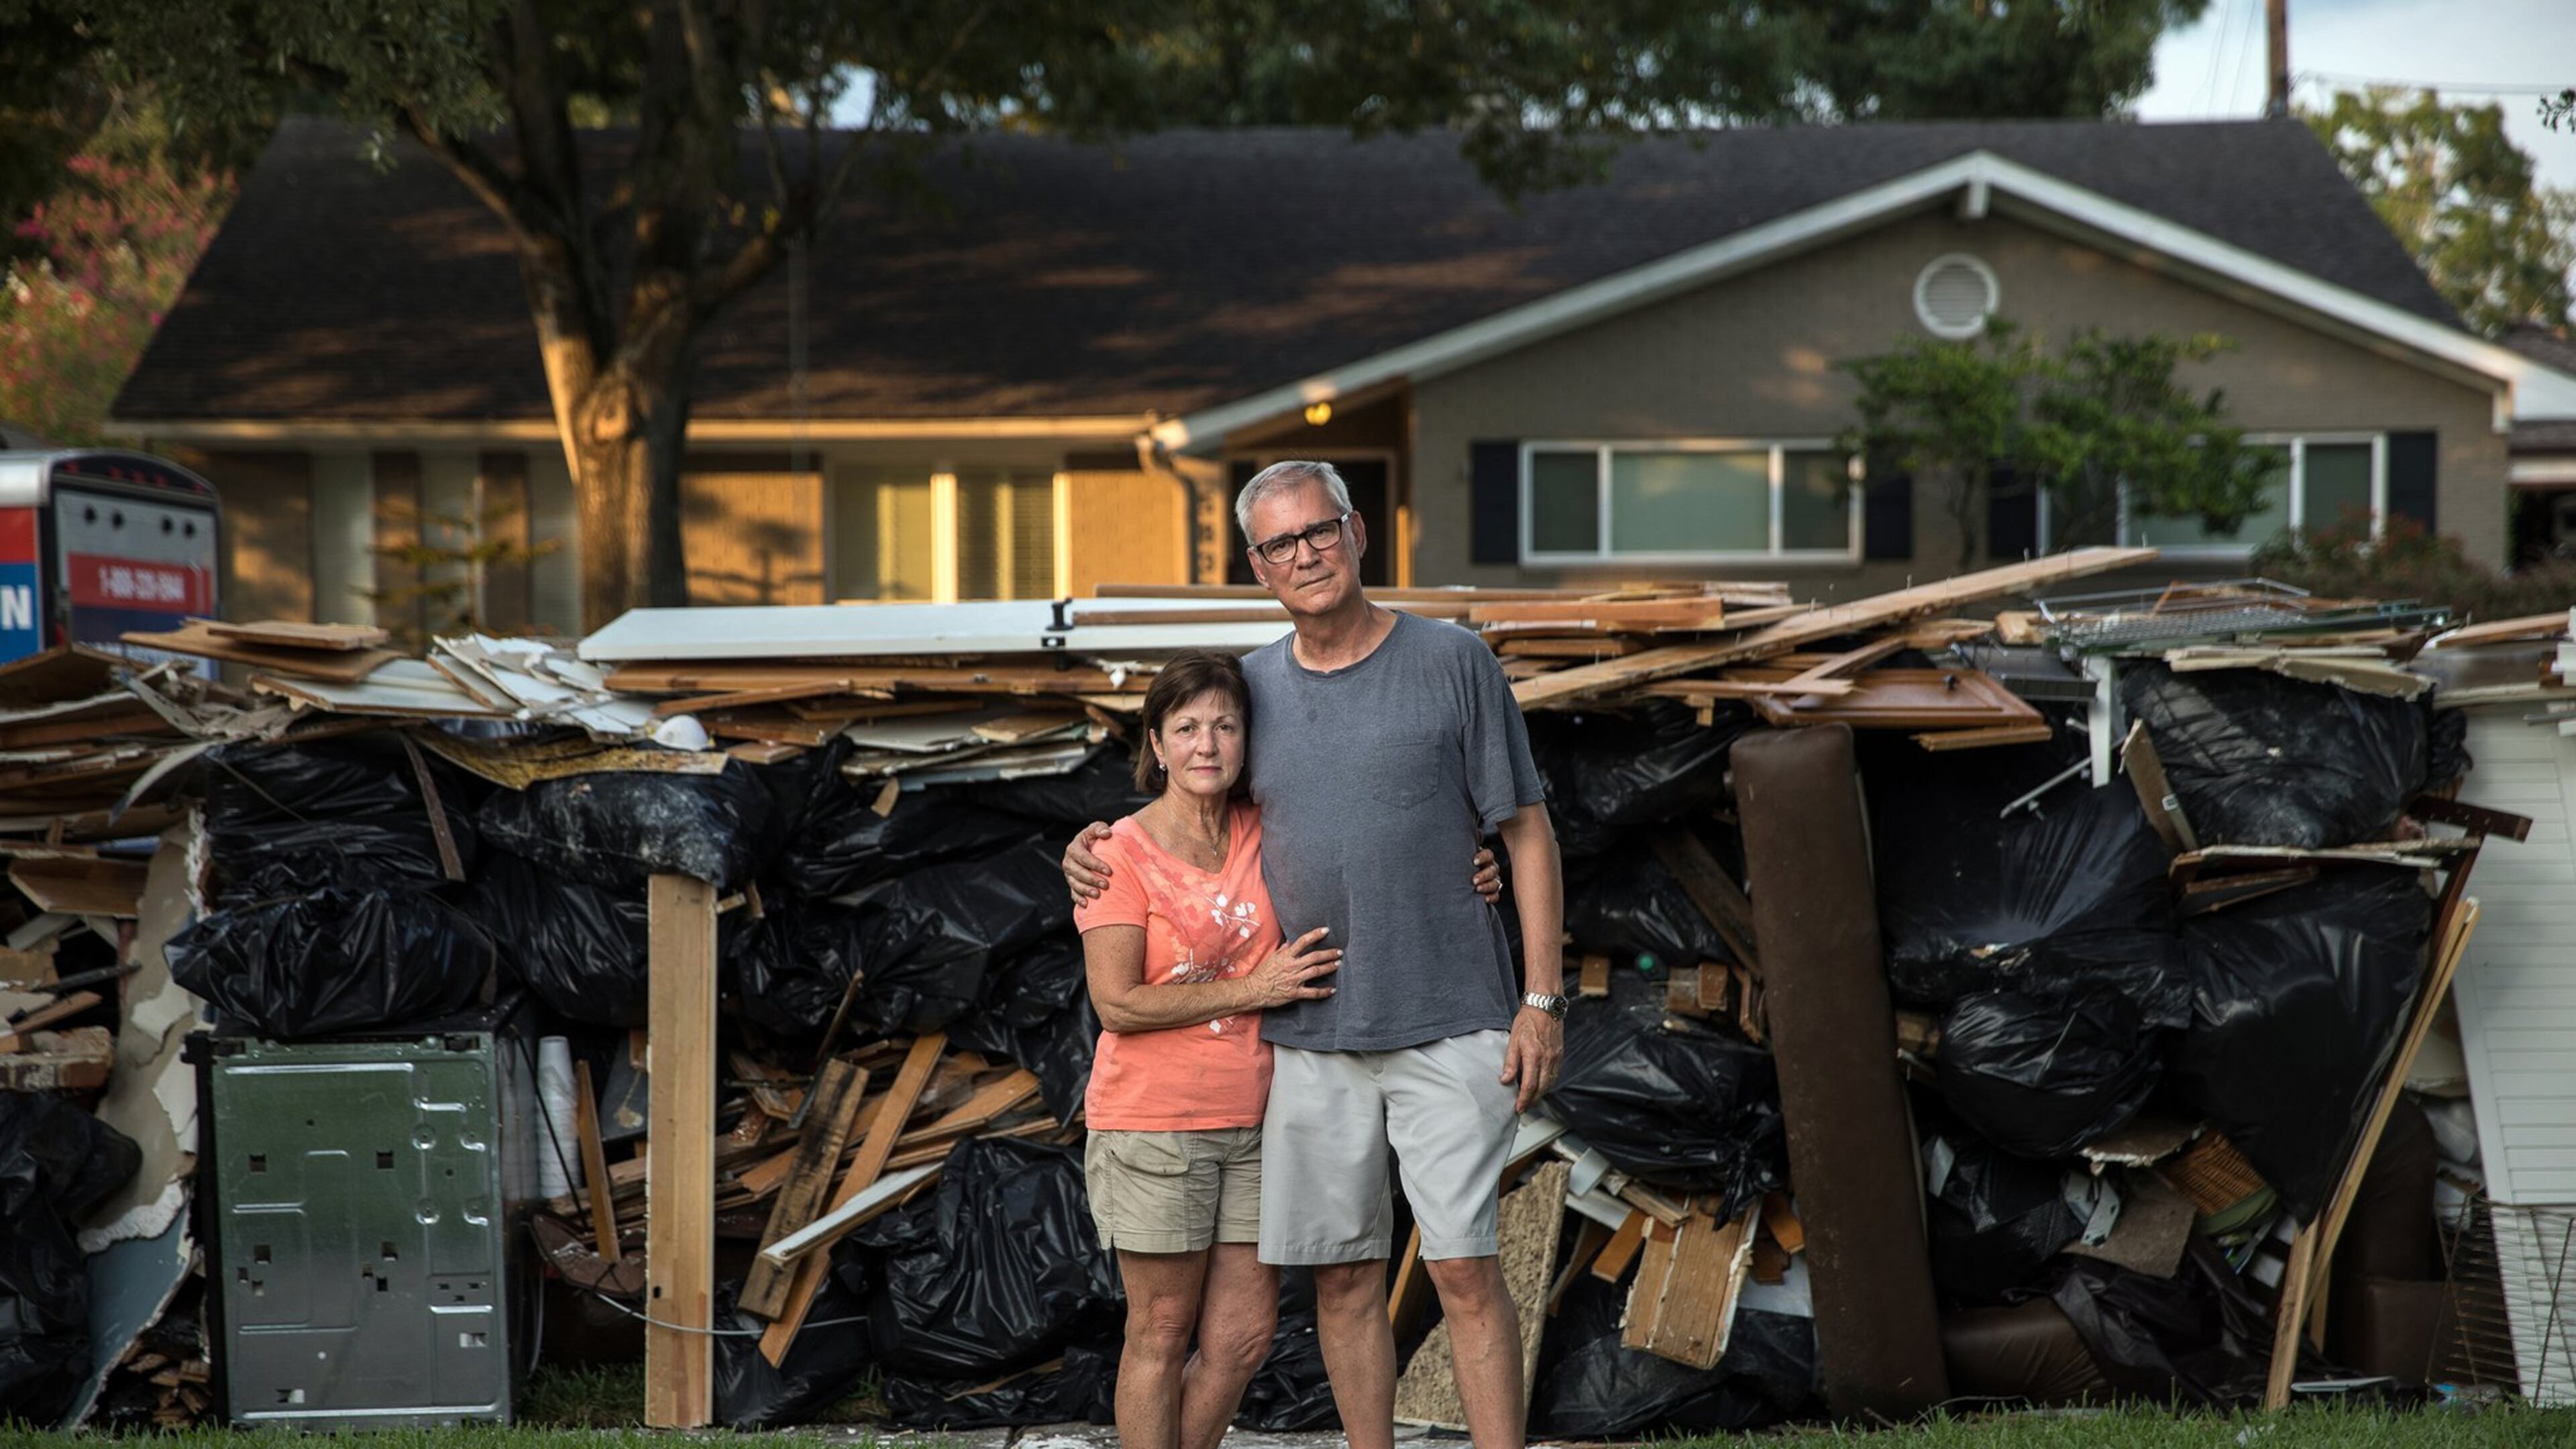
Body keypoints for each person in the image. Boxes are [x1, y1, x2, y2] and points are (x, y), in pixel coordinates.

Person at [1068, 460, 1567, 1449]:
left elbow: (1527, 835)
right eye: (1281, 544)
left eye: (1319, 532)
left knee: (1465, 1268)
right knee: (1342, 1277)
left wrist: (1541, 1000)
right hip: (1308, 1037)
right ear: (1258, 567)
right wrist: (1087, 851)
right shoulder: (1248, 694)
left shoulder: (1453, 663)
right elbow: (1184, 806)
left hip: (1453, 1014)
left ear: (1357, 534)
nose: (1306, 555)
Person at [1075, 646, 1505, 1449]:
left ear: (1249, 743)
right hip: (1155, 1124)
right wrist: (1253, 990)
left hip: (1258, 1119)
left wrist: (1472, 864)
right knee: (1161, 1332)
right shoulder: (1114, 855)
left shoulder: (1263, 829)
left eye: (1226, 726)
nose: (1208, 745)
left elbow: (1371, 841)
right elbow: (1117, 1004)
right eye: (1187, 728)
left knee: (1241, 1338)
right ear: (1157, 744)